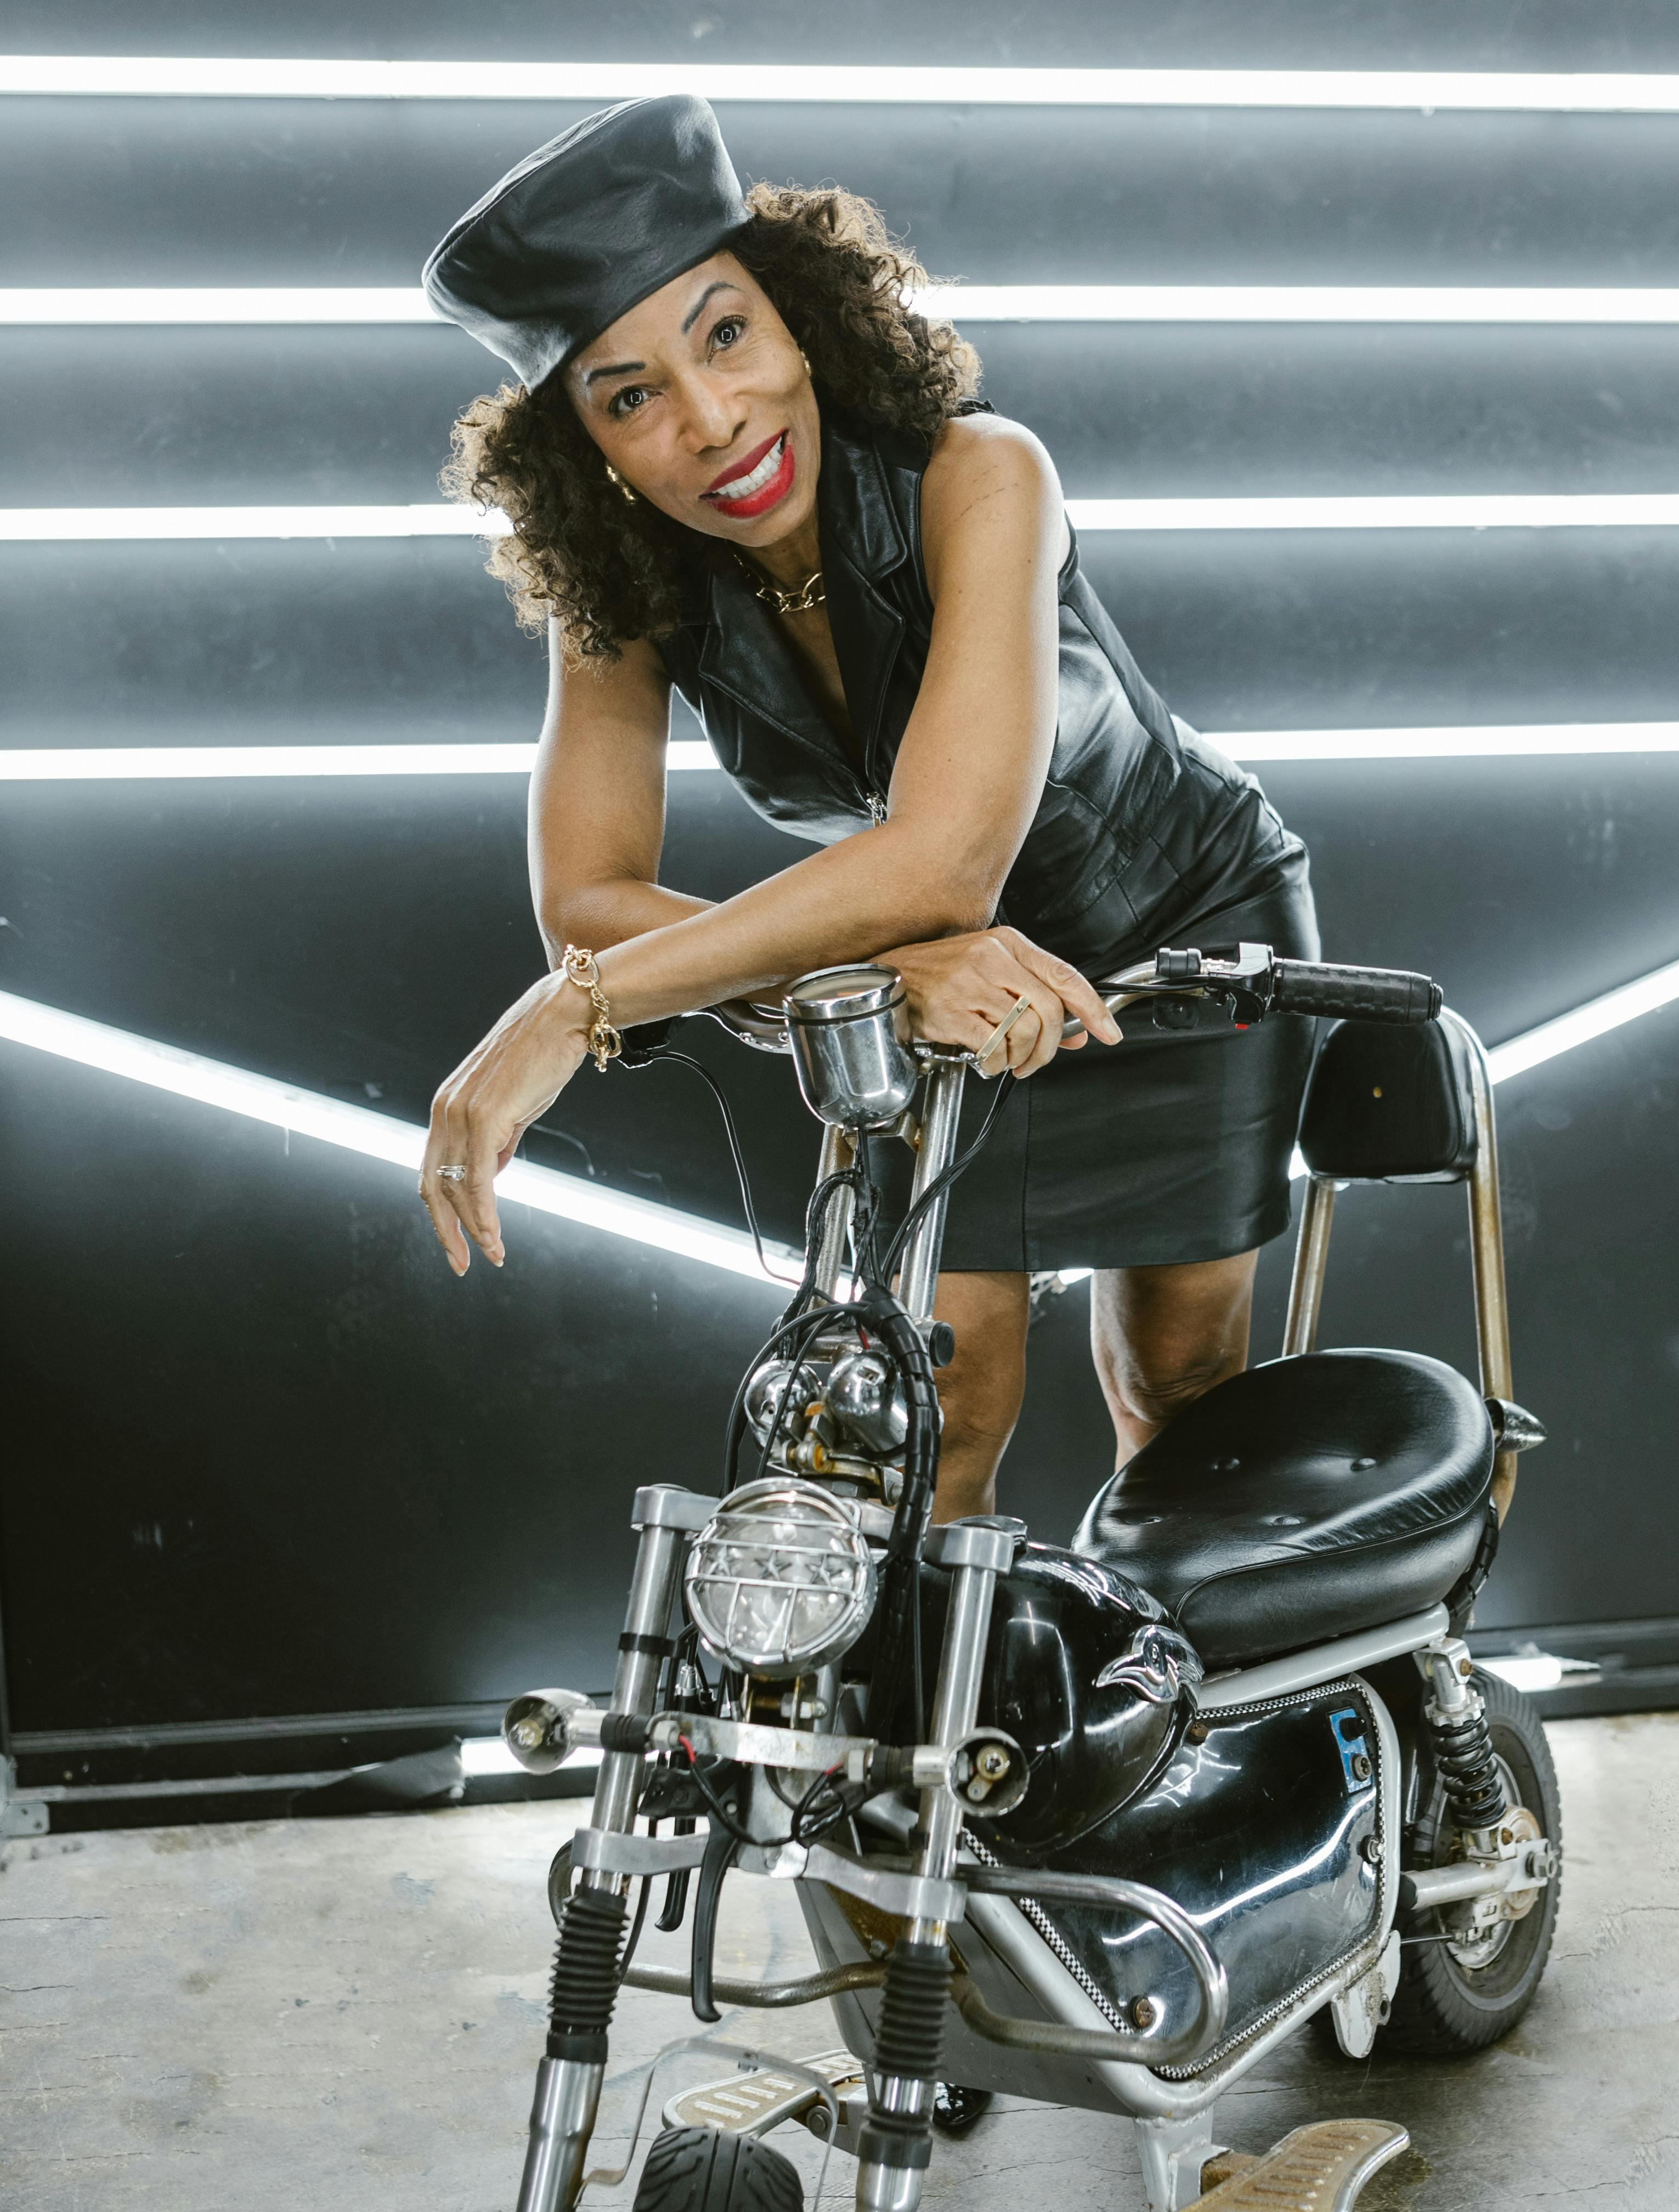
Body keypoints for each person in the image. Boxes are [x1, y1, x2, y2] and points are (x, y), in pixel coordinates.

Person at [418, 95, 1321, 1521]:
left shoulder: (986, 476)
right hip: (933, 976)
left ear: (801, 318)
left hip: (1185, 941)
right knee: (935, 1401)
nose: (713, 420)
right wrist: (877, 968)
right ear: (582, 445)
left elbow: (946, 858)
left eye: (726, 334)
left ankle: (1174, 1713)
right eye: (630, 393)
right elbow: (585, 897)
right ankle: (935, 1742)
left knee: (1179, 1380)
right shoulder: (626, 600)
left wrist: (571, 1009)